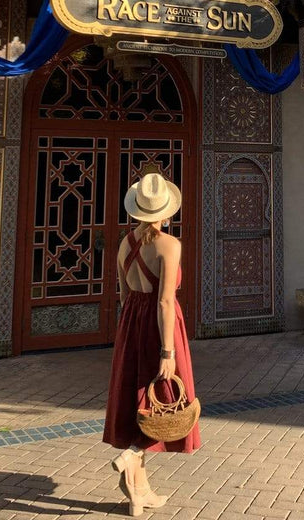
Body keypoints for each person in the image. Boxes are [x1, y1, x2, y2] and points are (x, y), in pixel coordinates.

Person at [103, 172, 201, 516]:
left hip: (131, 322)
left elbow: (123, 294)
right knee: (162, 400)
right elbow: (164, 302)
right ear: (167, 211)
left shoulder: (124, 243)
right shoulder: (169, 245)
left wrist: (129, 328)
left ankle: (138, 494)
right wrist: (167, 351)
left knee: (137, 401)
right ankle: (131, 452)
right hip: (160, 327)